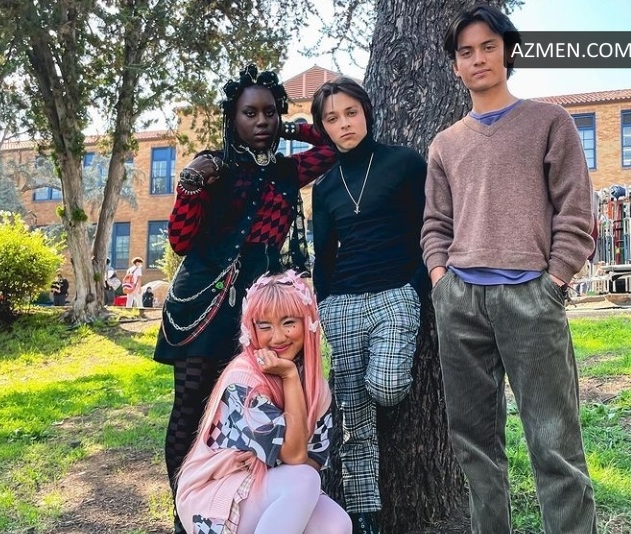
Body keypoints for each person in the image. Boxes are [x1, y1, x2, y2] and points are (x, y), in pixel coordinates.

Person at [421, 4, 597, 533]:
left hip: (531, 300)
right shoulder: (445, 143)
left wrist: (555, 279)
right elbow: (435, 223)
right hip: (461, 303)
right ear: (455, 65)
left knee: (555, 445)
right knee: (474, 447)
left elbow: (576, 211)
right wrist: (441, 281)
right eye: (466, 52)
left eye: (488, 47)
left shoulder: (550, 122)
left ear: (508, 52)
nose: (478, 59)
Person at [153, 64, 336, 533]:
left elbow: (331, 145)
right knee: (190, 409)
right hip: (201, 304)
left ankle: (240, 504)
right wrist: (190, 185)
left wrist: (292, 126)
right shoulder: (212, 166)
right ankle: (185, 515)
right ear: (231, 118)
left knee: (245, 408)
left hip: (258, 309)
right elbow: (179, 241)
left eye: (269, 112)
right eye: (249, 113)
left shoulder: (288, 170)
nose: (261, 121)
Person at [310, 77, 428, 534]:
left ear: (366, 112)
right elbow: (325, 255)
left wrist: (415, 287)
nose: (344, 124)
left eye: (350, 113)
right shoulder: (324, 187)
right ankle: (364, 515)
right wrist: (324, 305)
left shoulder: (404, 162)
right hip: (341, 303)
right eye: (332, 118)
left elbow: (431, 227)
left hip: (395, 295)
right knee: (354, 421)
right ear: (323, 127)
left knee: (388, 386)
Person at [175, 271, 352, 534]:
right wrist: (289, 376)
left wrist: (293, 380)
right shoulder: (242, 380)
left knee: (336, 524)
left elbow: (313, 459)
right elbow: (295, 457)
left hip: (269, 491)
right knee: (303, 480)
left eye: (289, 322)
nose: (278, 337)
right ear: (251, 329)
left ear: (308, 323)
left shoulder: (316, 387)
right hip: (214, 497)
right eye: (265, 326)